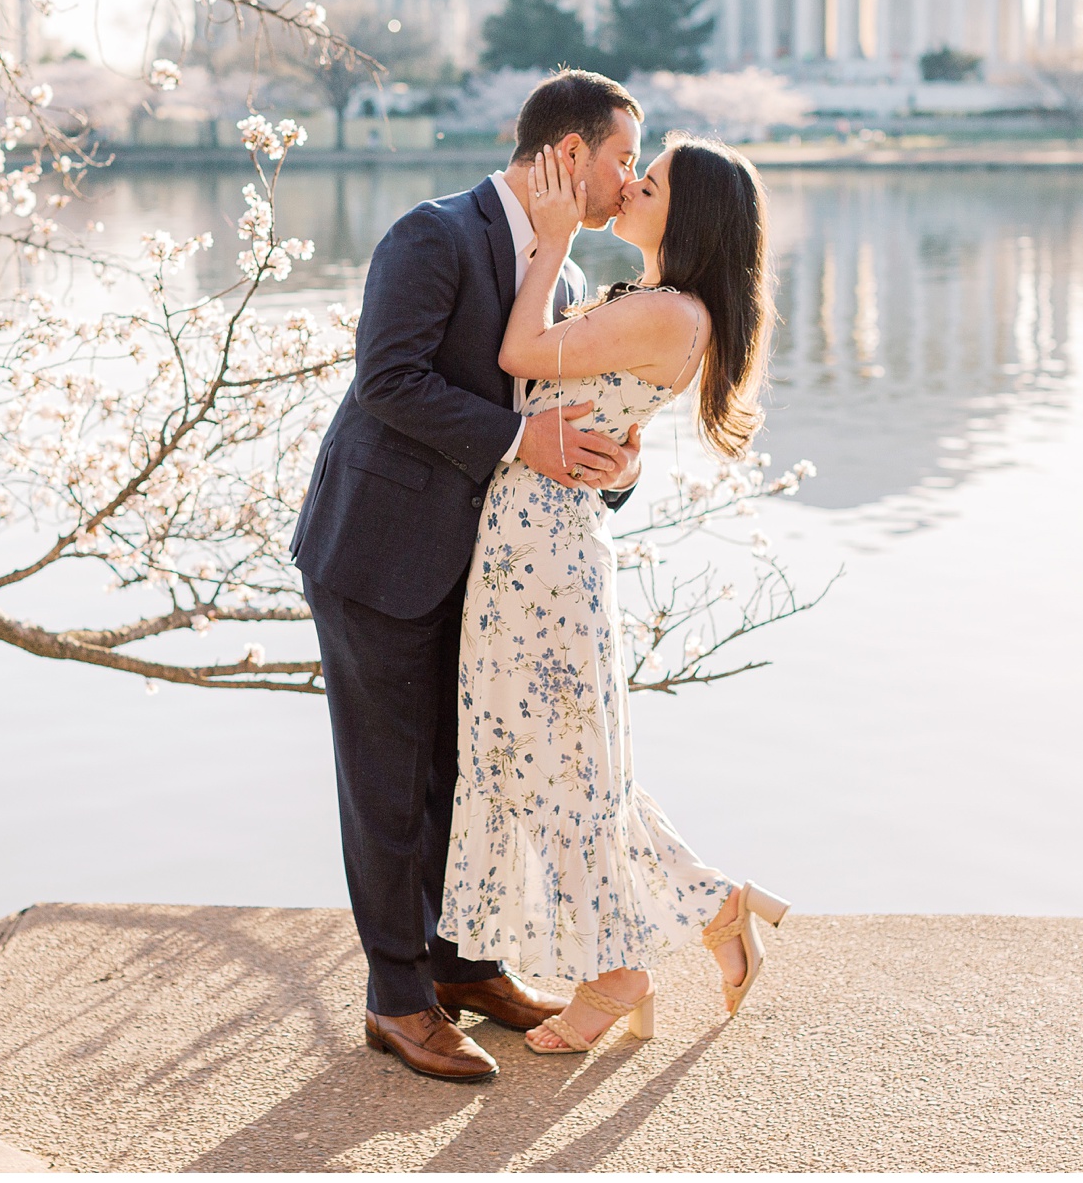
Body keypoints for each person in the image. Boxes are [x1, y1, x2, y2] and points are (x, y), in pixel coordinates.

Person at [290, 70, 650, 1082]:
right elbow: (388, 378)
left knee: (471, 771)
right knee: (388, 781)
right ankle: (396, 998)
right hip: (379, 553)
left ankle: (463, 963)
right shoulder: (431, 233)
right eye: (623, 157)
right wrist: (517, 438)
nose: (630, 182)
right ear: (569, 153)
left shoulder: (565, 281)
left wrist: (614, 467)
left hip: (492, 581)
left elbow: (564, 423)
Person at [439, 130, 792, 1056]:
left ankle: (615, 971)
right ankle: (712, 908)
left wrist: (552, 233)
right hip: (532, 536)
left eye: (656, 178)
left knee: (563, 767)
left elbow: (521, 352)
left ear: (695, 212)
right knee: (561, 760)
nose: (633, 182)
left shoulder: (673, 311)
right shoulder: (657, 304)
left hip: (545, 549)